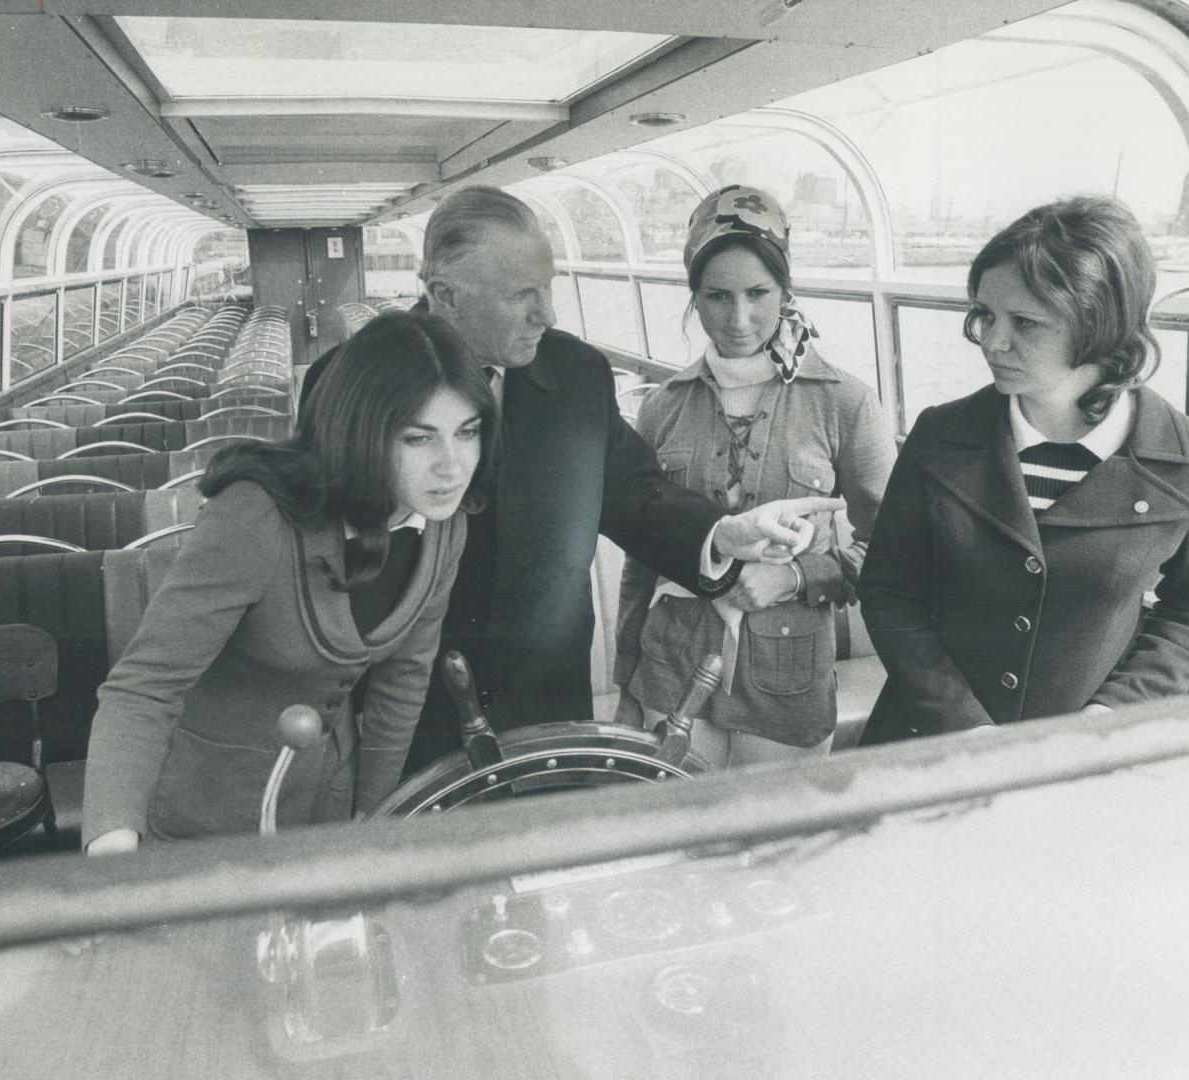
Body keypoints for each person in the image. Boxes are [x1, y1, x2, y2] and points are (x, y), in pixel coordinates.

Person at [301, 186, 825, 771]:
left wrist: (722, 534)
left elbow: (631, 492)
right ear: (445, 295)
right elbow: (319, 550)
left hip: (546, 702)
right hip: (405, 714)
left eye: (547, 287)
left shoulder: (575, 374)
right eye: (523, 295)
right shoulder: (349, 383)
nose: (546, 314)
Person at [81, 311, 496, 853]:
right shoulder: (256, 518)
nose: (453, 466)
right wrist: (113, 848)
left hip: (326, 802)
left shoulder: (445, 526)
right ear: (362, 433)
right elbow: (143, 688)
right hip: (208, 813)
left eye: (467, 433)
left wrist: (373, 815)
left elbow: (404, 679)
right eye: (419, 439)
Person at [858, 195, 1189, 743]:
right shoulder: (937, 436)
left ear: (1100, 326)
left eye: (1026, 323)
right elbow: (889, 592)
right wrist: (962, 726)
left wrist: (1114, 714)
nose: (992, 341)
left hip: (1081, 763)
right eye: (985, 315)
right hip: (926, 743)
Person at [614, 185, 895, 766]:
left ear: (786, 290)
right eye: (717, 297)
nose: (738, 318)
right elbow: (640, 558)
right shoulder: (662, 407)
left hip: (787, 685)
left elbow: (896, 547)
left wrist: (796, 577)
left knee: (779, 854)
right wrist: (624, 681)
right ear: (693, 297)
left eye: (757, 293)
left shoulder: (845, 402)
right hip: (668, 674)